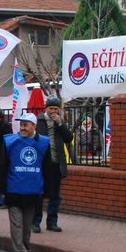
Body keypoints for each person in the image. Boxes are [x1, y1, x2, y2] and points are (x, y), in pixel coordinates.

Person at [0, 113, 51, 252]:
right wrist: (0, 189)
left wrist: (47, 191)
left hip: (33, 191)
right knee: (17, 224)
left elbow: (47, 168)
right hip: (14, 190)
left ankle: (26, 250)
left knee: (27, 225)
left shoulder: (44, 143)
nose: (22, 128)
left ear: (34, 126)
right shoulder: (10, 142)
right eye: (21, 125)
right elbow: (3, 166)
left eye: (26, 125)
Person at [33, 96, 73, 233]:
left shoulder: (60, 122)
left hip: (56, 163)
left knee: (55, 195)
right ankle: (35, 222)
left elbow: (68, 138)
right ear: (46, 108)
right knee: (38, 194)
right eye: (51, 108)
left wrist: (60, 124)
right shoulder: (38, 121)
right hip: (41, 164)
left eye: (56, 109)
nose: (53, 111)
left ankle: (52, 222)